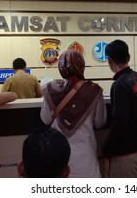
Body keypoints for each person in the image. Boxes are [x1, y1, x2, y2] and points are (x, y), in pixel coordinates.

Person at [40, 49, 106, 178]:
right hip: (87, 156)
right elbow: (100, 122)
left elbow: (46, 119)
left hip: (59, 154)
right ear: (81, 65)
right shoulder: (94, 90)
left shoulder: (50, 89)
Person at [102, 39, 137, 178]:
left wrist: (106, 150)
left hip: (126, 156)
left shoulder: (119, 85)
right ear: (128, 57)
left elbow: (120, 124)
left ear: (109, 60)